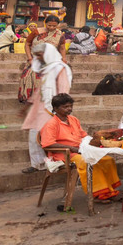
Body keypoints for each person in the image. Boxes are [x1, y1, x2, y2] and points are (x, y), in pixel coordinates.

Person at [41, 94, 121, 203]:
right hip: (64, 155)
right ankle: (99, 195)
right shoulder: (51, 124)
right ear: (56, 108)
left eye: (70, 106)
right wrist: (71, 148)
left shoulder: (73, 119)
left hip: (81, 150)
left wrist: (96, 140)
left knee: (107, 160)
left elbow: (84, 135)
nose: (69, 109)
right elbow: (48, 144)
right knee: (88, 162)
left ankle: (110, 191)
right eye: (65, 107)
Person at [21, 42, 72, 173]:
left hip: (53, 109)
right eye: (37, 55)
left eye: (40, 54)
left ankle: (48, 163)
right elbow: (40, 91)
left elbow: (63, 91)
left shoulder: (60, 69)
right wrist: (27, 105)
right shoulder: (48, 70)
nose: (38, 58)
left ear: (47, 53)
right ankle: (38, 164)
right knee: (35, 135)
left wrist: (59, 111)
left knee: (44, 137)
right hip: (40, 108)